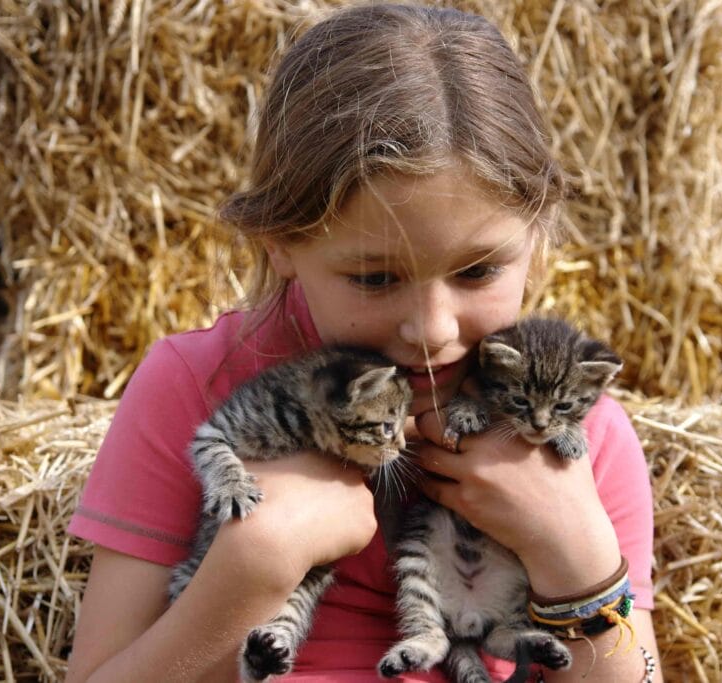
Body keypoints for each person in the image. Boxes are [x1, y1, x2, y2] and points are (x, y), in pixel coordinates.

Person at [64, 4, 662, 682]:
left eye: (478, 271)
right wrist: (254, 566)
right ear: (281, 243)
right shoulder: (197, 387)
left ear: (538, 233)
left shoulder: (575, 442)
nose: (432, 328)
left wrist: (574, 551)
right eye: (376, 277)